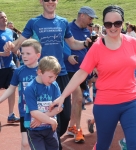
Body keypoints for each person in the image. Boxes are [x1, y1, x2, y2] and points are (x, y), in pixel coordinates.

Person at [50, 5, 136, 150]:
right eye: (108, 24)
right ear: (104, 24)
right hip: (105, 105)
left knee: (135, 145)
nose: (113, 27)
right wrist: (62, 97)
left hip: (132, 102)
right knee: (103, 145)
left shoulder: (132, 43)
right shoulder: (97, 48)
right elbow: (81, 73)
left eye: (117, 23)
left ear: (122, 22)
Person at [3, 1, 91, 149]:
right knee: (45, 112)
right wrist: (11, 45)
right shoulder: (34, 22)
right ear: (41, 2)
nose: (50, 2)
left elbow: (73, 44)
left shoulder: (63, 22)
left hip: (61, 74)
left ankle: (52, 140)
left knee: (64, 114)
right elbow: (19, 43)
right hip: (42, 76)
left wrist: (85, 43)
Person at [63, 6, 98, 143]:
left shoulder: (87, 31)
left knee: (79, 100)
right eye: (90, 18)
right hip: (69, 70)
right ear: (82, 15)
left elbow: (89, 51)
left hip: (84, 70)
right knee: (77, 98)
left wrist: (94, 65)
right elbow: (61, 45)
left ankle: (72, 126)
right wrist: (68, 57)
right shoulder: (68, 28)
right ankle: (78, 129)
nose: (91, 21)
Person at [0, 39, 41, 150]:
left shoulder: (43, 70)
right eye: (22, 53)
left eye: (28, 53)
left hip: (42, 112)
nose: (24, 56)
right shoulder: (19, 71)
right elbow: (11, 89)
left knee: (39, 142)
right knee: (25, 142)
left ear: (38, 55)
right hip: (25, 112)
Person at [24, 56, 63, 150]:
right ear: (40, 72)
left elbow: (59, 107)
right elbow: (34, 112)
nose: (53, 79)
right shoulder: (30, 88)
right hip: (35, 131)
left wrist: (43, 119)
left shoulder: (54, 85)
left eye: (55, 77)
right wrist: (50, 120)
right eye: (50, 76)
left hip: (50, 129)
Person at [0, 11, 19, 123]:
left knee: (11, 89)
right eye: (1, 17)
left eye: (5, 17)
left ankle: (11, 114)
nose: (4, 19)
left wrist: (17, 52)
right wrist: (2, 54)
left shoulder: (10, 32)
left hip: (10, 66)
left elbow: (14, 47)